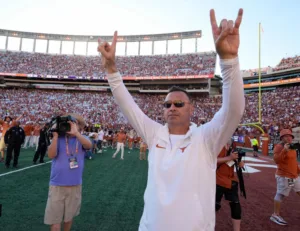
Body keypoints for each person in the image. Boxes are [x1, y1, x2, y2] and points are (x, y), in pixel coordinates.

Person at [98, 8, 245, 231]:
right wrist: (111, 69)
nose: (172, 108)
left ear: (191, 109)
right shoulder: (154, 133)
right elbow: (128, 105)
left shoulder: (206, 138)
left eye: (178, 104)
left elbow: (234, 110)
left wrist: (228, 61)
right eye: (167, 104)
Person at [44, 114, 92, 231]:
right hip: (57, 185)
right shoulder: (59, 138)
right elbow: (51, 155)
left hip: (75, 184)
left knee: (68, 218)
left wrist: (76, 133)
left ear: (79, 126)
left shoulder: (82, 138)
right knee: (55, 221)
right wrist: (55, 136)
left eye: (73, 124)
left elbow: (89, 146)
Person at [270, 129, 300, 226]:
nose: (289, 138)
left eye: (290, 136)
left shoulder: (293, 148)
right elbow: (276, 160)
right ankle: (275, 215)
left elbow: (293, 162)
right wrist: (284, 150)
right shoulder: (279, 147)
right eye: (286, 136)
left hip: (293, 177)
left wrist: (298, 170)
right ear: (282, 138)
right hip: (284, 176)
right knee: (280, 194)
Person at [215, 141, 245, 231]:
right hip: (217, 180)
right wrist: (229, 157)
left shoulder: (232, 145)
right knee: (213, 206)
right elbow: (211, 160)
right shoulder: (216, 144)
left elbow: (233, 161)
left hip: (231, 180)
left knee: (236, 206)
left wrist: (239, 162)